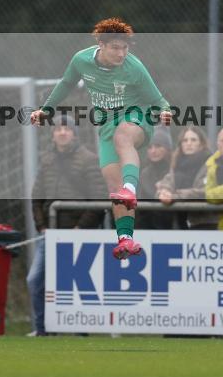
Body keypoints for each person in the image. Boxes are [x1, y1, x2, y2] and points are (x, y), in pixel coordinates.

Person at [30, 18, 171, 260]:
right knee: (113, 187)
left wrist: (166, 111)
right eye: (116, 47)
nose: (122, 53)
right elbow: (65, 85)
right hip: (106, 126)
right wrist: (46, 109)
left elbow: (158, 100)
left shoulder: (134, 67)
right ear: (101, 44)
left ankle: (130, 188)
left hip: (137, 118)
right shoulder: (81, 60)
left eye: (125, 48)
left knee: (123, 137)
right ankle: (125, 238)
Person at [27, 115, 105, 336]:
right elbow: (37, 196)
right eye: (58, 129)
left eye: (67, 129)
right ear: (53, 135)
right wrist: (41, 225)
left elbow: (99, 199)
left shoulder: (89, 159)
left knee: (77, 286)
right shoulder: (47, 160)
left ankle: (81, 332)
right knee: (35, 281)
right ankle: (42, 329)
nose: (62, 133)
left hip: (78, 235)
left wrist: (81, 228)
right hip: (50, 234)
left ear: (74, 133)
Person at [156, 126, 210, 229]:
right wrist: (163, 192)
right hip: (180, 222)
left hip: (205, 222)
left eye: (193, 140)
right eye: (185, 140)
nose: (189, 143)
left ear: (201, 143)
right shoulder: (176, 164)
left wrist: (175, 196)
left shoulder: (211, 163)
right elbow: (165, 183)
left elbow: (204, 192)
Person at [135, 127, 175, 230]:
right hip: (148, 229)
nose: (153, 151)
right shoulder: (145, 174)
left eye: (158, 146)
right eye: (150, 147)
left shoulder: (176, 169)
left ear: (167, 148)